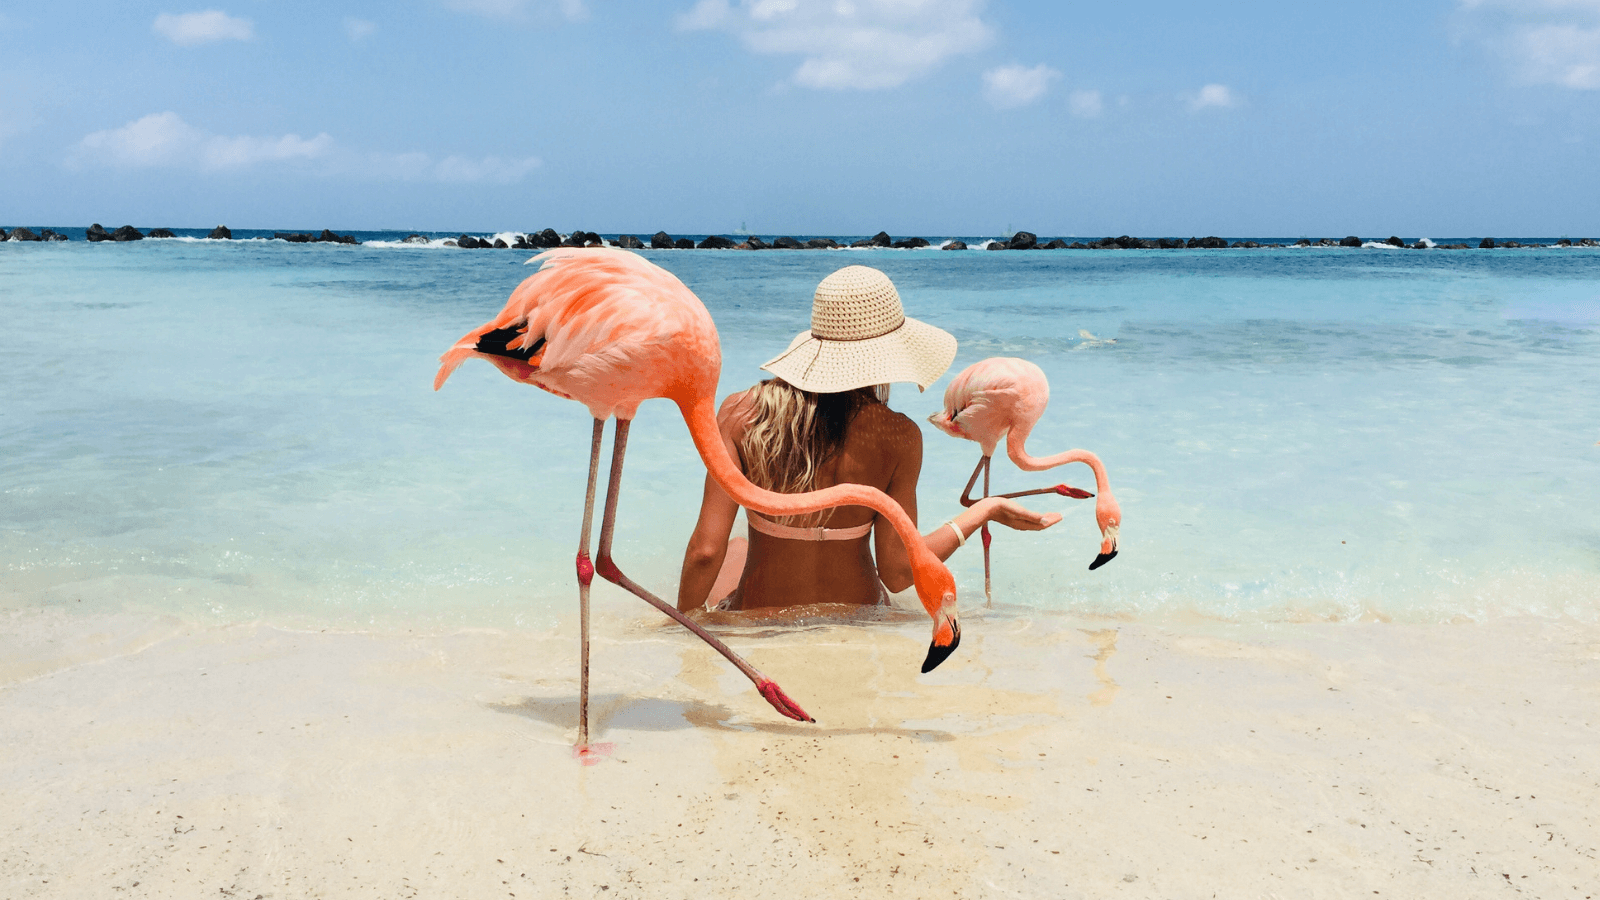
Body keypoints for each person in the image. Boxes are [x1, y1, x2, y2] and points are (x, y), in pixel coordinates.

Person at [676, 265, 1059, 613]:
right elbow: (897, 572)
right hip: (860, 619)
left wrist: (682, 633)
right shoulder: (899, 435)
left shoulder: (742, 414)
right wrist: (984, 510)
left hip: (760, 613)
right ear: (888, 353)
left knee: (735, 549)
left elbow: (705, 553)